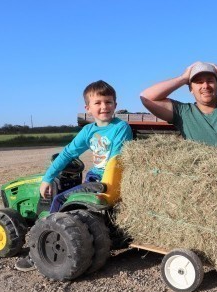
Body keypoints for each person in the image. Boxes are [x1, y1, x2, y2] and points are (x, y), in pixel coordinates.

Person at [15, 80, 133, 272]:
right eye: (98, 103)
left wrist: (104, 184)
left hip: (110, 181)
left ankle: (39, 250)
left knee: (61, 198)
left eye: (108, 102)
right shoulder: (89, 131)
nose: (104, 106)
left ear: (115, 105)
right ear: (88, 108)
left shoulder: (120, 128)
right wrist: (48, 176)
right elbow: (69, 153)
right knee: (83, 185)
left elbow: (115, 160)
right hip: (96, 177)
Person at [139, 61, 217, 150]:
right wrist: (183, 78)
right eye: (199, 82)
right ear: (190, 89)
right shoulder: (183, 113)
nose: (205, 86)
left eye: (210, 81)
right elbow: (147, 97)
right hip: (203, 184)